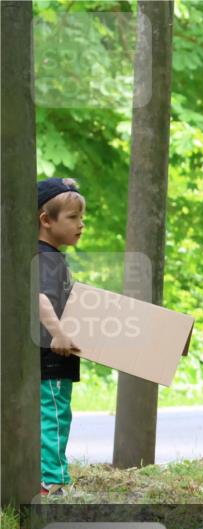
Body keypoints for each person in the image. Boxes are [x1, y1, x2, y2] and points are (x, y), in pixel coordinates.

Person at [36, 177, 86, 496]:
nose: (81, 225)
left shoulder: (51, 256)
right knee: (53, 416)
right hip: (50, 357)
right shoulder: (45, 258)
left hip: (55, 357)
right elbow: (38, 297)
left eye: (82, 218)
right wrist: (58, 333)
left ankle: (54, 474)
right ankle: (51, 481)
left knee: (56, 415)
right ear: (46, 220)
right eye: (72, 218)